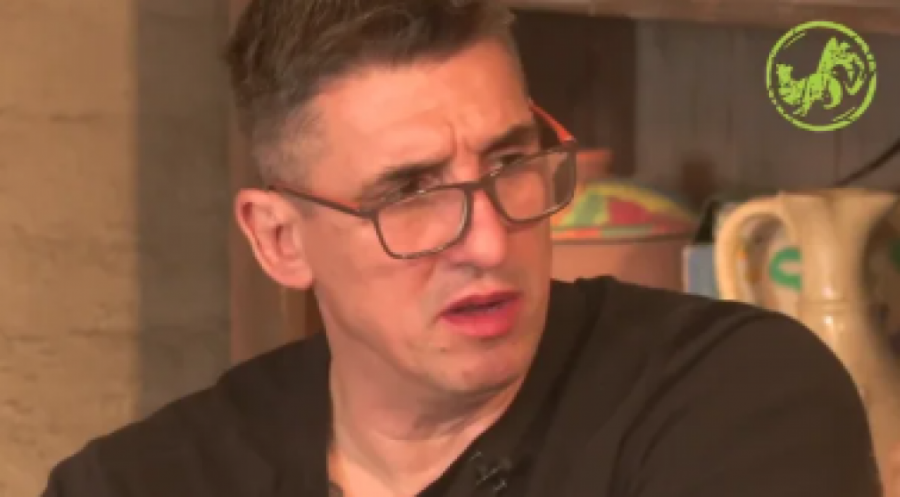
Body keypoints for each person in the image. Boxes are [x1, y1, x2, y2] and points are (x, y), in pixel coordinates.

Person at [42, 1, 881, 496]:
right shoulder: (136, 482)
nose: (487, 239)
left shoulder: (739, 398)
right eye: (410, 194)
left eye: (511, 164)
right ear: (281, 238)